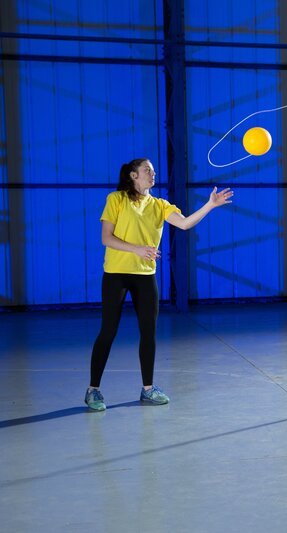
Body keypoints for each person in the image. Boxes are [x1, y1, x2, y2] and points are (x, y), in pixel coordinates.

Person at [84, 158, 233, 411]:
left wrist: (210, 205)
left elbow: (184, 224)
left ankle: (148, 389)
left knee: (149, 333)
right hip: (116, 274)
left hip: (145, 275)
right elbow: (106, 238)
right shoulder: (116, 199)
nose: (153, 174)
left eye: (153, 171)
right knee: (108, 331)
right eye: (147, 171)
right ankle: (93, 390)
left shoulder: (160, 205)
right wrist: (138, 249)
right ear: (133, 175)